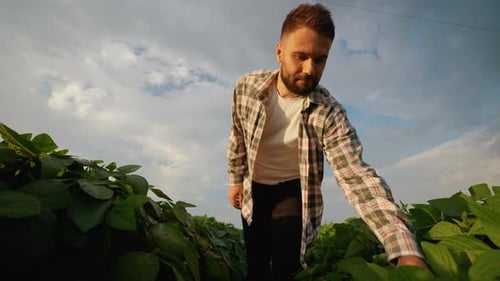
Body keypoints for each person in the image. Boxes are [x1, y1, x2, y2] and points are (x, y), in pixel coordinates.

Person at [227, 3, 427, 281]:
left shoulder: (329, 112)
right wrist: (236, 180)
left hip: (293, 190)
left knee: (287, 264)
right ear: (279, 52)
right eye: (301, 56)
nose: (309, 69)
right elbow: (237, 136)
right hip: (254, 186)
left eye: (320, 60)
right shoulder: (247, 88)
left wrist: (404, 249)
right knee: (256, 259)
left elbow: (355, 175)